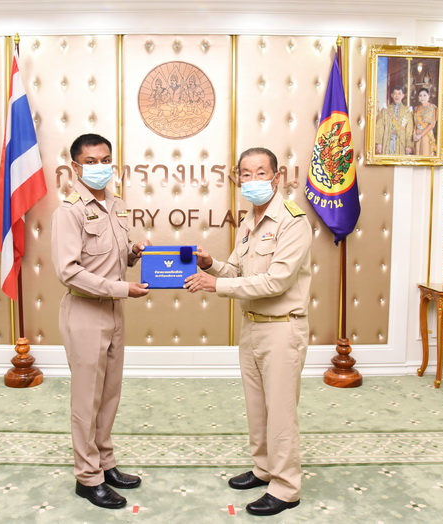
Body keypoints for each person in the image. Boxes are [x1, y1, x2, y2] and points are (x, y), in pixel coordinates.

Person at [184, 147, 312, 517]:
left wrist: (215, 285)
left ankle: (286, 487)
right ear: (238, 179)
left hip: (282, 328)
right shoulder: (249, 221)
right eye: (246, 174)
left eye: (261, 173)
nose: (253, 180)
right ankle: (264, 469)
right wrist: (212, 264)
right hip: (252, 325)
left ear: (277, 177)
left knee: (281, 412)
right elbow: (238, 270)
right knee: (257, 407)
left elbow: (276, 281)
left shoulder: (292, 221)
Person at [51, 133, 151, 510]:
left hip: (114, 311)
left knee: (109, 394)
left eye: (105, 160)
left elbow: (114, 258)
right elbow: (69, 272)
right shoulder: (69, 211)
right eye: (90, 161)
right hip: (85, 311)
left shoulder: (117, 204)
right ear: (75, 167)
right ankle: (87, 478)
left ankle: (105, 463)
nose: (100, 167)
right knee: (86, 399)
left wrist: (133, 253)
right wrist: (122, 288)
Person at [375, 86, 413, 155]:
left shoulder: (407, 111)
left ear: (403, 95)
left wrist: (408, 145)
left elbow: (409, 130)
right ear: (392, 95)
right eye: (395, 93)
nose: (397, 96)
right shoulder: (385, 110)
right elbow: (379, 127)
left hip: (401, 141)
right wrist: (379, 143)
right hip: (387, 140)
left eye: (399, 93)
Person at [413, 87, 437, 156]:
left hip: (426, 135)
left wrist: (420, 135)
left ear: (428, 96)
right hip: (417, 136)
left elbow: (432, 125)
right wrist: (414, 134)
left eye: (424, 95)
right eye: (420, 95)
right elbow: (415, 123)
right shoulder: (417, 108)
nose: (422, 97)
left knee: (425, 155)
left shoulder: (432, 107)